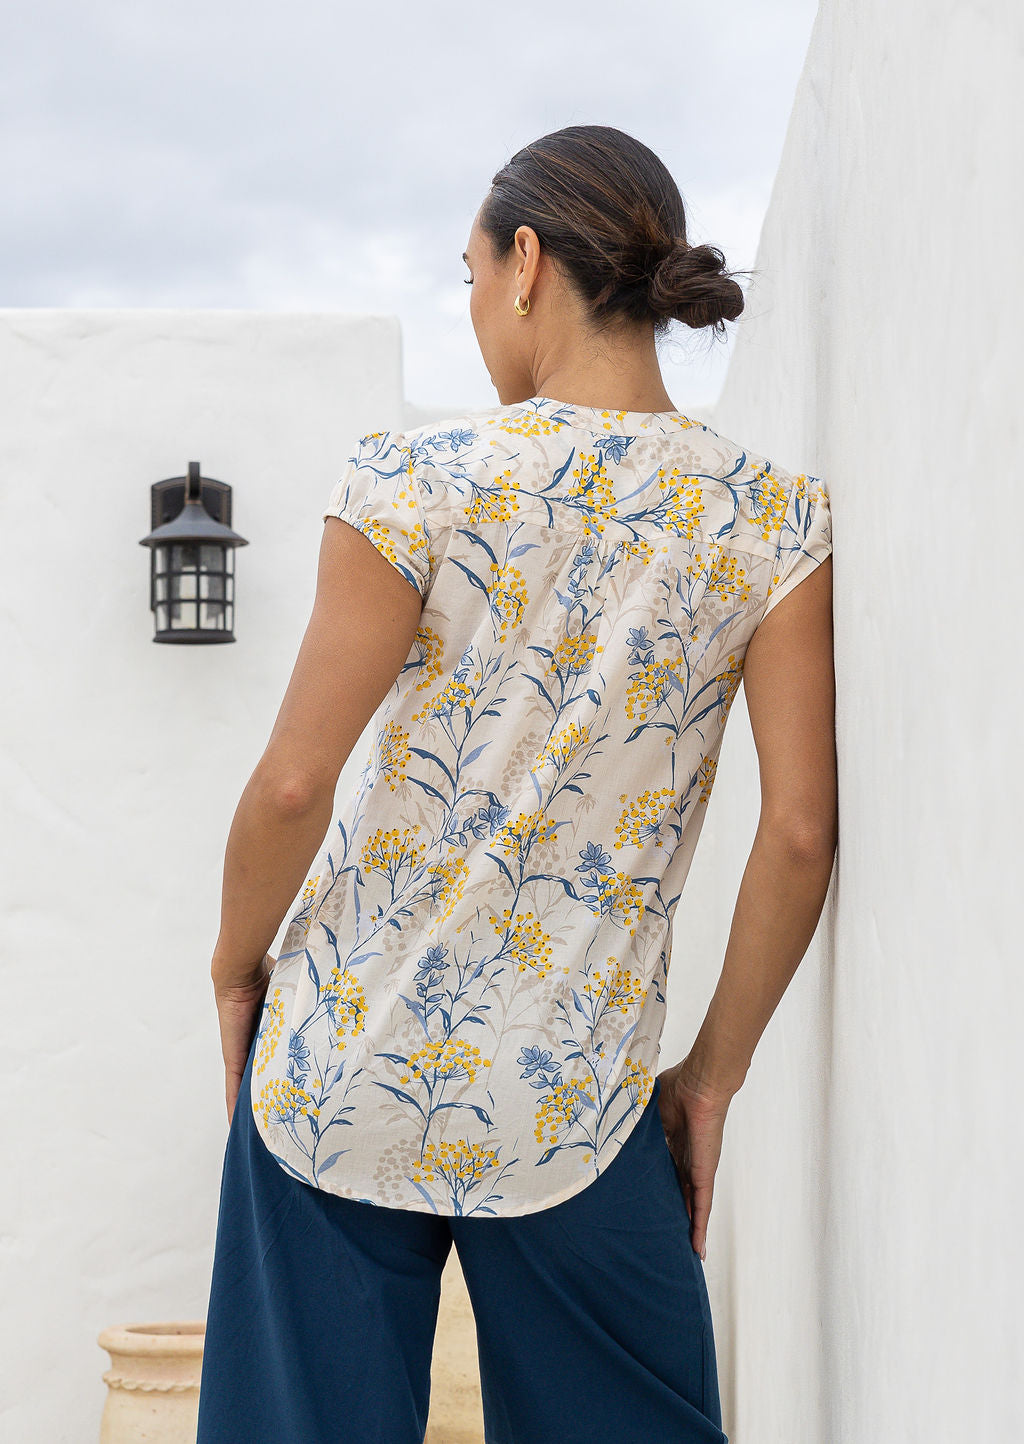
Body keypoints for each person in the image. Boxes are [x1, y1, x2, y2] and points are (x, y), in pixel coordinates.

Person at [196, 123, 837, 1444]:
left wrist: (231, 967)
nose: (477, 306)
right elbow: (798, 834)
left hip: (338, 1060)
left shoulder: (413, 480)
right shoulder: (773, 521)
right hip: (577, 1090)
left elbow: (290, 786)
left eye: (471, 275)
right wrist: (706, 1082)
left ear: (527, 262)